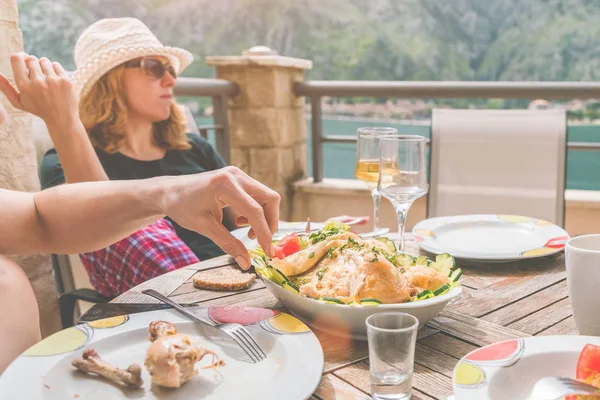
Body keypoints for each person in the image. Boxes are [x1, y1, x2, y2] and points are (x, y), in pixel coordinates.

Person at [29, 18, 239, 296]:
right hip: (168, 305)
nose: (171, 79)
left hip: (243, 282)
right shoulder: (63, 164)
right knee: (137, 227)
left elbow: (241, 227)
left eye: (170, 69)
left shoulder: (195, 148)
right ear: (110, 81)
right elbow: (96, 220)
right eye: (154, 67)